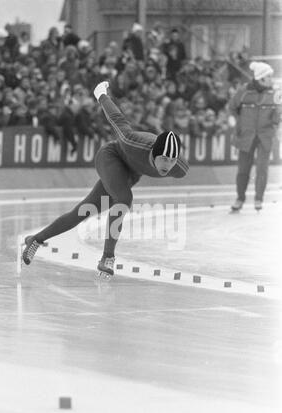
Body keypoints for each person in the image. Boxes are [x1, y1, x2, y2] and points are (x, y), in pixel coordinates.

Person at [22, 81, 189, 277]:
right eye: (163, 159)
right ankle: (108, 257)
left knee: (84, 210)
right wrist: (101, 94)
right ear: (153, 152)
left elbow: (172, 163)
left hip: (130, 173)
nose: (167, 165)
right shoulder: (132, 140)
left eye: (171, 160)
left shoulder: (179, 169)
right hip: (111, 157)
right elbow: (117, 118)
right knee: (124, 199)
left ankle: (36, 239)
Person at [229, 61, 282, 211]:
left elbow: (279, 114)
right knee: (243, 170)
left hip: (265, 136)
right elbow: (232, 107)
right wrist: (235, 122)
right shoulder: (244, 92)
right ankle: (240, 198)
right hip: (246, 136)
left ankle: (259, 199)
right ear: (260, 78)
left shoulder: (276, 93)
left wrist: (278, 122)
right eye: (269, 77)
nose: (272, 79)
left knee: (262, 169)